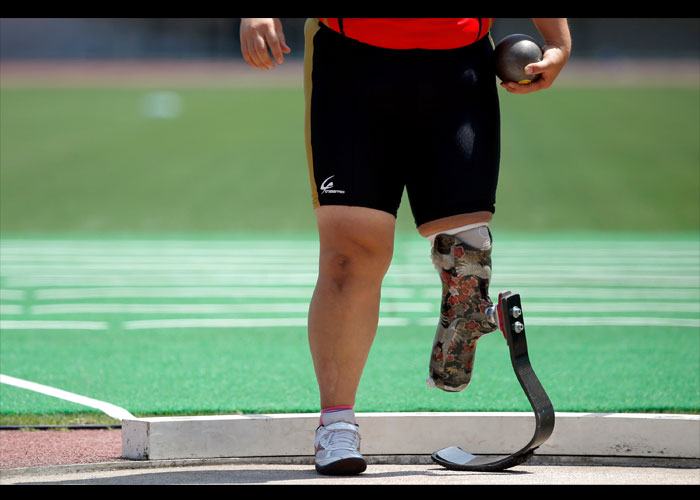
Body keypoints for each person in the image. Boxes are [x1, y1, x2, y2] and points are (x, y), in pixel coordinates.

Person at [240, 17, 571, 475]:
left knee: (466, 245)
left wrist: (556, 39)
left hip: (458, 62)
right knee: (348, 256)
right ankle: (337, 425)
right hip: (351, 59)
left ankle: (465, 304)